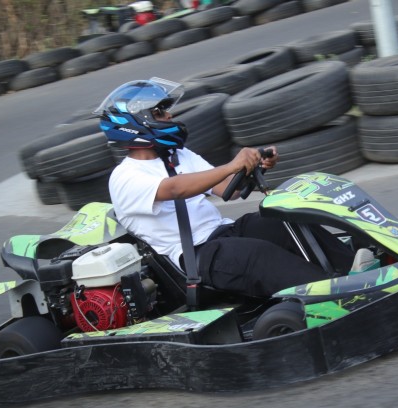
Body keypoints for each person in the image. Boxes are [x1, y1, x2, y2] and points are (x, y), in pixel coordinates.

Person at [96, 78, 370, 298]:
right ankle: (338, 294)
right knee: (257, 254)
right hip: (195, 255)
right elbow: (175, 189)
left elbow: (229, 189)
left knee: (280, 222)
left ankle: (359, 271)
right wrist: (231, 165)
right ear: (133, 125)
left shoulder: (179, 156)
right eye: (159, 112)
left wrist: (253, 167)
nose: (169, 115)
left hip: (224, 232)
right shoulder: (125, 176)